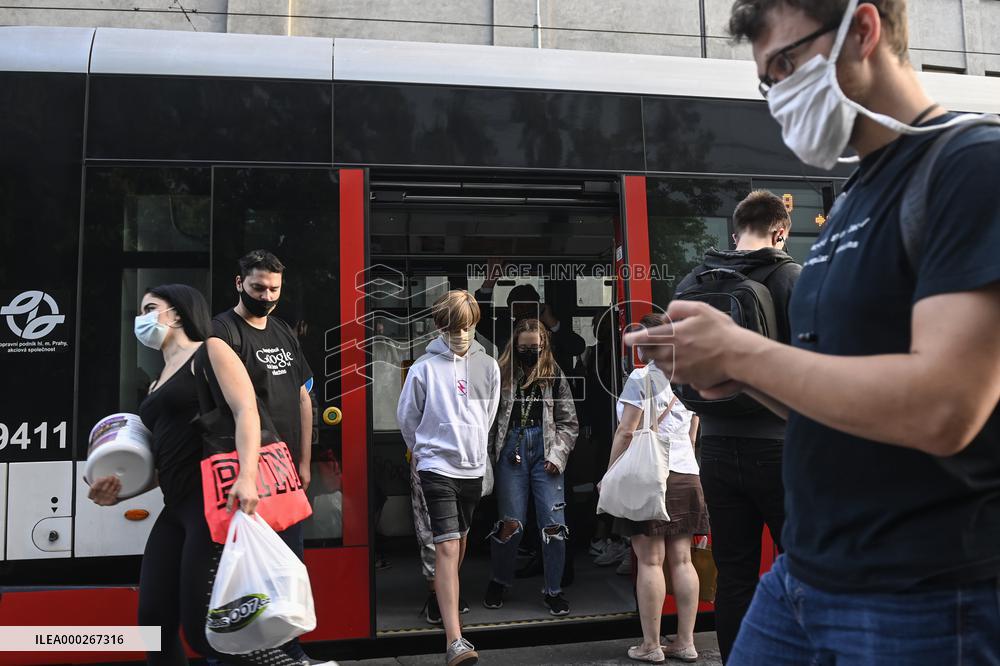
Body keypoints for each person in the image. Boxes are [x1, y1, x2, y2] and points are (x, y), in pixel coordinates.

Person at [627, 1, 1000, 663]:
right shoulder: (853, 200)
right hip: (807, 574)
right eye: (767, 81)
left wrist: (742, 349)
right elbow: (824, 400)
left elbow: (946, 405)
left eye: (787, 64)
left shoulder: (971, 168)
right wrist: (727, 370)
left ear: (862, 30)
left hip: (926, 593)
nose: (776, 98)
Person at [88, 284, 315, 666]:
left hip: (213, 501)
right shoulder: (158, 379)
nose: (141, 319)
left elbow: (246, 410)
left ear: (176, 314)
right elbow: (167, 460)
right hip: (176, 506)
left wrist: (246, 476)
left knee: (202, 629)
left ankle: (284, 663)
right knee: (154, 622)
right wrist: (120, 492)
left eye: (150, 308)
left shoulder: (210, 351)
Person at [670, 189, 800, 661]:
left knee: (735, 574)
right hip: (780, 449)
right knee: (803, 571)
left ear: (735, 229)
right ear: (781, 230)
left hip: (717, 449)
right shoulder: (789, 277)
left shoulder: (694, 280)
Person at [211, 250, 323, 666]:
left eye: (274, 288)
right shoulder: (222, 332)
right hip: (248, 474)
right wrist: (247, 470)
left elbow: (302, 396)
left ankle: (287, 649)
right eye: (258, 287)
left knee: (286, 570)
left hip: (286, 474)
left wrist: (306, 463)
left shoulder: (281, 330)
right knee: (244, 573)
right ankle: (236, 654)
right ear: (239, 283)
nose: (267, 295)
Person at [397, 290, 501, 666]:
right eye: (453, 327)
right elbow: (408, 418)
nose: (460, 334)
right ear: (439, 327)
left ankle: (447, 605)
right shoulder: (424, 368)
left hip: (471, 467)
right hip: (436, 467)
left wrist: (471, 447)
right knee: (445, 546)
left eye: (467, 326)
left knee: (458, 545)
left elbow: (488, 415)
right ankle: (455, 639)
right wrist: (426, 452)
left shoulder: (487, 366)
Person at [604, 313, 708, 664]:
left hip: (652, 476)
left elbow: (626, 431)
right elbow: (694, 432)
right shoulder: (690, 377)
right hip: (686, 474)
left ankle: (651, 645)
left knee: (650, 560)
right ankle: (686, 641)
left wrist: (610, 472)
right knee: (682, 559)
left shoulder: (641, 378)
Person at [483, 318, 579, 616]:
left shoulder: (554, 375)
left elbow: (569, 422)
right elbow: (486, 420)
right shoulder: (500, 374)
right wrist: (485, 458)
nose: (528, 352)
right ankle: (499, 580)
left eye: (534, 348)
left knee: (553, 526)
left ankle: (553, 590)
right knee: (510, 523)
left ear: (543, 346)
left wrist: (558, 456)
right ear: (515, 345)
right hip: (510, 449)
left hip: (546, 451)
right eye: (523, 347)